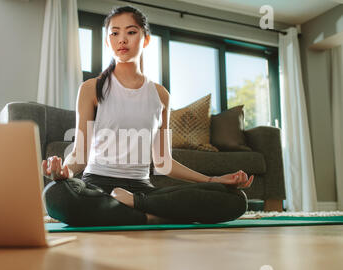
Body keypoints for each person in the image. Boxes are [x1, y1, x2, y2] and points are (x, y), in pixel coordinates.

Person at [41, 6, 254, 226]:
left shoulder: (160, 95)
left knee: (235, 199)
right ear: (107, 42)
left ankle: (133, 206)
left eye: (131, 32)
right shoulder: (90, 88)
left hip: (141, 191)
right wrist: (63, 172)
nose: (122, 39)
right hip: (97, 186)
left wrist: (214, 180)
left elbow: (163, 163)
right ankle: (152, 216)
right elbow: (80, 154)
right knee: (56, 195)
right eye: (115, 33)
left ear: (145, 39)